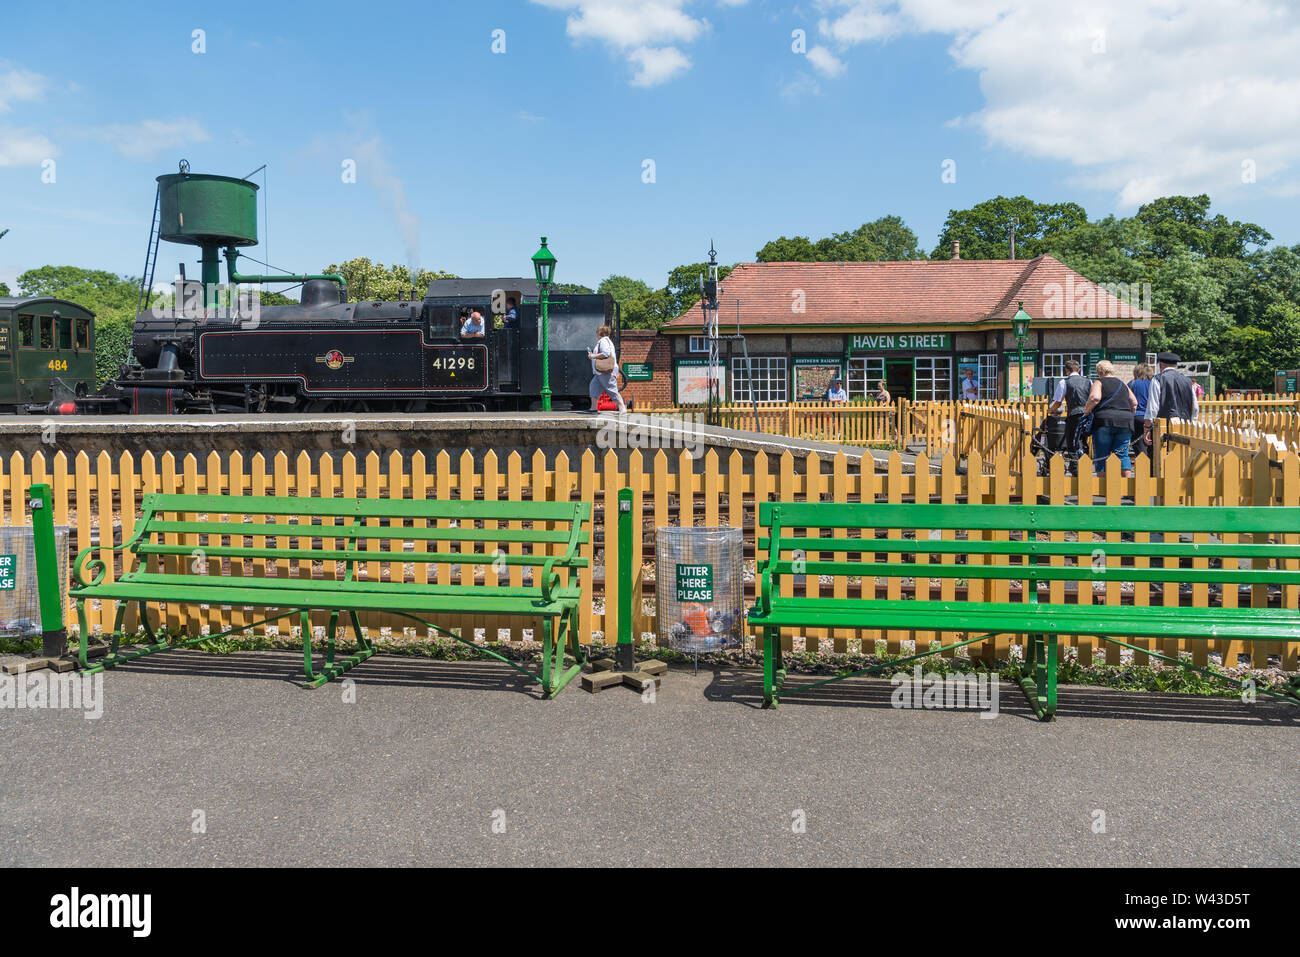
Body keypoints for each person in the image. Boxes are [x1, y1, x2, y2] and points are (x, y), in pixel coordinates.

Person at [1083, 360, 1138, 477]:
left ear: (1099, 371)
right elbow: (1134, 403)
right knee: (1122, 454)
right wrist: (1128, 415)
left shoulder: (1099, 382)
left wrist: (1086, 412)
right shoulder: (1122, 384)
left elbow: (1095, 398)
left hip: (1104, 421)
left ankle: (1103, 489)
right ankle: (1127, 487)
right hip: (1125, 422)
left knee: (1102, 454)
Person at [1144, 351, 1199, 449]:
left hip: (1164, 430)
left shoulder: (1157, 379)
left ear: (1160, 365)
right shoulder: (1188, 381)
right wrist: (1191, 424)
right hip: (1184, 428)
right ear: (1176, 365)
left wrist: (1148, 428)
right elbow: (1195, 408)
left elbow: (1152, 408)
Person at [1048, 359, 1091, 458]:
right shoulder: (1089, 381)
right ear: (1079, 370)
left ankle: (1076, 467)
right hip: (1087, 414)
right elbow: (1092, 398)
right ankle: (1086, 462)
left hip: (1074, 415)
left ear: (1067, 370)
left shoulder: (1064, 382)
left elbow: (1058, 402)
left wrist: (1050, 411)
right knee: (1083, 440)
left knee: (1072, 441)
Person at [586, 323, 627, 413]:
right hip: (600, 372)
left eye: (597, 332)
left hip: (605, 371)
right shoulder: (605, 341)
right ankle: (593, 408)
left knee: (611, 389)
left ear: (600, 333)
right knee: (594, 387)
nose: (596, 334)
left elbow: (606, 353)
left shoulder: (603, 341)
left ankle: (622, 407)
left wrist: (593, 356)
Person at [1128, 363, 1153, 458]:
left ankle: (1142, 465)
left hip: (1135, 416)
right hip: (1149, 417)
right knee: (1151, 444)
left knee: (1139, 445)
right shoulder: (1153, 383)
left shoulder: (1132, 383)